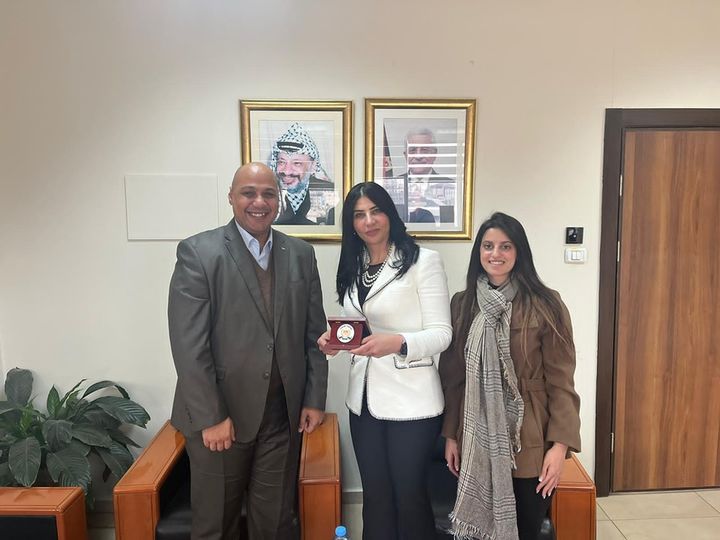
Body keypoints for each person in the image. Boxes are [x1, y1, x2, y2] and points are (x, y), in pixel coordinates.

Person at [168, 162, 328, 540]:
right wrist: (211, 416)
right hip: (221, 418)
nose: (259, 202)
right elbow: (189, 345)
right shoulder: (199, 252)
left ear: (279, 199)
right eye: (248, 193)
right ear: (231, 197)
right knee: (215, 526)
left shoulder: (301, 254)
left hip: (281, 417)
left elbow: (314, 334)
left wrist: (313, 397)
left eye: (268, 193)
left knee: (275, 523)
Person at [318, 182, 452, 540]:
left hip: (412, 403)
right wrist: (335, 341)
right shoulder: (355, 265)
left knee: (409, 498)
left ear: (390, 213)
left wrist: (398, 343)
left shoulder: (423, 261)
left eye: (376, 211)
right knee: (375, 497)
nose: (369, 221)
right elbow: (359, 325)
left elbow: (442, 334)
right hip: (363, 402)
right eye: (359, 215)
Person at [439, 212, 581, 540]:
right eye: (488, 246)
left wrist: (559, 447)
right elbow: (453, 378)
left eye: (506, 246)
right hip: (476, 436)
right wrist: (451, 435)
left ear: (519, 252)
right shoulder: (463, 304)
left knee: (526, 528)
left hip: (530, 437)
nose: (496, 254)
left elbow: (562, 382)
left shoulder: (546, 304)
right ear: (478, 252)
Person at [269, 122, 335, 225]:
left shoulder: (328, 192)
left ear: (313, 166)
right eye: (281, 162)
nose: (287, 171)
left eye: (297, 163)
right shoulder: (267, 193)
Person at [402, 127, 455, 224]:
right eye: (413, 150)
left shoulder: (450, 186)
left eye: (424, 150)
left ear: (434, 154)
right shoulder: (396, 184)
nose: (418, 156)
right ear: (405, 155)